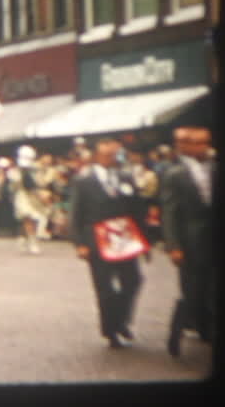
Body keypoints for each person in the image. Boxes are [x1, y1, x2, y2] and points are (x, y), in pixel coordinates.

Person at [69, 138, 149, 349]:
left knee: (133, 280)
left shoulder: (125, 176)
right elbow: (76, 213)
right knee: (105, 288)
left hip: (124, 237)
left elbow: (136, 210)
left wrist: (144, 239)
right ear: (96, 156)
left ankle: (122, 320)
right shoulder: (84, 180)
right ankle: (111, 331)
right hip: (97, 238)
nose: (110, 159)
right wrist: (80, 243)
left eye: (114, 155)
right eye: (106, 155)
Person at [161, 127, 216, 357]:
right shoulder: (175, 174)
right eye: (195, 143)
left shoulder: (215, 167)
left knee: (213, 289)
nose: (200, 148)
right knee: (191, 290)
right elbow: (170, 212)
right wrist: (174, 245)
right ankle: (175, 334)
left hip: (215, 238)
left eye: (204, 143)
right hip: (191, 241)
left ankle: (207, 330)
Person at [7, 145, 50, 254]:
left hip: (34, 195)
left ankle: (25, 237)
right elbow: (14, 186)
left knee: (35, 218)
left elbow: (41, 182)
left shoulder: (36, 169)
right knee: (28, 217)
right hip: (22, 196)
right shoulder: (15, 171)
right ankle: (32, 241)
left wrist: (41, 192)